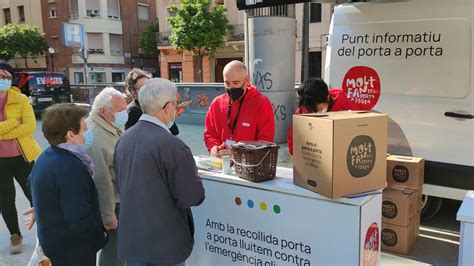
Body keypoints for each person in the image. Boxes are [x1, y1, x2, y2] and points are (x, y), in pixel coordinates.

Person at [114, 78, 205, 266]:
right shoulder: (173, 146)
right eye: (175, 104)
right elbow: (192, 197)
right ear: (168, 107)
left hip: (133, 241)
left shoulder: (124, 139)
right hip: (165, 245)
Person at [29, 103, 108, 266]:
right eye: (85, 128)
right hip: (73, 250)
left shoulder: (47, 155)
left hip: (55, 245)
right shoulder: (70, 167)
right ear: (70, 135)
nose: (88, 132)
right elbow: (78, 217)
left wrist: (43, 204)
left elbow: (32, 181)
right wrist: (100, 238)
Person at [0, 62, 42, 254]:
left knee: (35, 194)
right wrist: (12, 123)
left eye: (8, 77)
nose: (4, 80)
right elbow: (19, 125)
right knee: (5, 199)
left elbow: (30, 126)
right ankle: (15, 234)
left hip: (23, 157)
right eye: (1, 76)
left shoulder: (21, 99)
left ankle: (45, 230)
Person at [85, 87, 127, 266]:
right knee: (114, 251)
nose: (124, 114)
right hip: (113, 202)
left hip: (120, 197)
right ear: (103, 111)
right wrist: (108, 215)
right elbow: (101, 180)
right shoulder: (94, 135)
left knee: (120, 249)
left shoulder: (110, 124)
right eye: (120, 110)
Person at [204, 60, 275, 157]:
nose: (231, 87)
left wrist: (238, 153)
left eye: (235, 83)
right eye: (227, 83)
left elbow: (265, 141)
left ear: (247, 80)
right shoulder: (217, 103)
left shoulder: (262, 103)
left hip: (250, 165)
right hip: (221, 162)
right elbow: (210, 134)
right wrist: (214, 147)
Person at [287, 78, 364, 155]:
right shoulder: (304, 109)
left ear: (327, 98)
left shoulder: (348, 109)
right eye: (310, 110)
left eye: (317, 109)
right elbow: (293, 138)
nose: (314, 113)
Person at [124, 68, 186, 134]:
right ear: (133, 92)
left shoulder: (156, 105)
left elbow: (174, 131)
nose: (148, 90)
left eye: (149, 86)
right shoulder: (133, 111)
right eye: (143, 87)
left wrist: (170, 113)